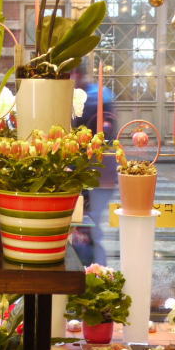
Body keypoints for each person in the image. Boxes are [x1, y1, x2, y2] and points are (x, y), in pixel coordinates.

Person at [71, 61, 117, 266]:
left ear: (79, 74)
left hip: (97, 171)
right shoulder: (72, 95)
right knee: (81, 223)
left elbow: (107, 128)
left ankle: (94, 270)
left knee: (90, 224)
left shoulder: (99, 96)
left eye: (72, 74)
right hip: (76, 168)